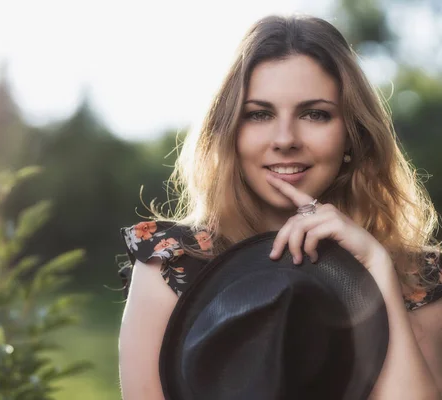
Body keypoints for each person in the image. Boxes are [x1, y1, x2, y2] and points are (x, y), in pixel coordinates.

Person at [117, 14, 442, 400]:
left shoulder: (419, 278)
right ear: (229, 132)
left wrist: (375, 268)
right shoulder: (173, 263)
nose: (285, 139)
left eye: (314, 114)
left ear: (353, 133)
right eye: (260, 114)